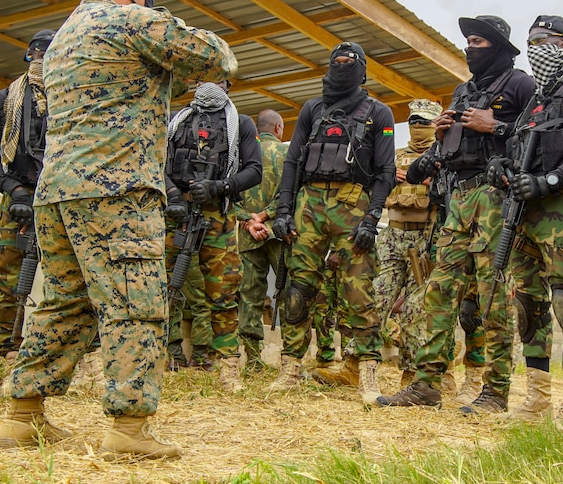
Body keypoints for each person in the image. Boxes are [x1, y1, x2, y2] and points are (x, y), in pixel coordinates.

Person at [0, 0, 236, 460]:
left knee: (65, 303)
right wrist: (154, 12)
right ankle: (129, 430)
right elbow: (215, 56)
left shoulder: (62, 37)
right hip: (116, 191)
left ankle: (23, 416)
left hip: (57, 193)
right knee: (135, 306)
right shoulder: (130, 20)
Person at [378, 15, 534, 412]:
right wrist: (443, 137)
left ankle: (495, 391)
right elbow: (424, 166)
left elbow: (538, 136)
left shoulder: (520, 84)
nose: (469, 48)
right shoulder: (462, 90)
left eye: (477, 41)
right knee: (439, 292)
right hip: (458, 201)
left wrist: (495, 125)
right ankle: (427, 384)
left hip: (495, 198)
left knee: (492, 296)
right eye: (467, 41)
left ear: (496, 46)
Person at [493, 16, 563, 426]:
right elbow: (516, 143)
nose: (536, 46)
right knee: (526, 302)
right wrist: (502, 168)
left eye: (545, 39)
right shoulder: (536, 99)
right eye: (531, 41)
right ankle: (537, 397)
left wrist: (551, 180)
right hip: (523, 212)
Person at [269, 42, 396, 405]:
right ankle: (291, 367)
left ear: (362, 69)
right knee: (298, 290)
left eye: (349, 62)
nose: (341, 67)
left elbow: (386, 171)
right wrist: (283, 210)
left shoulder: (379, 113)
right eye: (336, 62)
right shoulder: (312, 108)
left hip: (353, 205)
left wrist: (373, 217)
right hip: (309, 205)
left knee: (359, 293)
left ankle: (367, 371)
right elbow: (293, 162)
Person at [163, 78, 262, 392]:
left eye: (219, 78)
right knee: (162, 287)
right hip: (174, 215)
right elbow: (156, 162)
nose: (212, 84)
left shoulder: (240, 123)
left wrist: (221, 187)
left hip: (217, 216)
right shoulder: (176, 121)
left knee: (223, 293)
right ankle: (157, 360)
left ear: (229, 84)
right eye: (206, 77)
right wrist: (173, 196)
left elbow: (254, 169)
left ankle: (228, 367)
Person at [354, 98, 443, 387]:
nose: (418, 127)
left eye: (425, 122)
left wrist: (431, 181)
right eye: (414, 121)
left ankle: (412, 372)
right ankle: (357, 361)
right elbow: (375, 186)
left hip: (424, 238)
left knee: (417, 308)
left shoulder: (443, 157)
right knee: (376, 296)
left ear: (436, 126)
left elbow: (449, 195)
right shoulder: (395, 155)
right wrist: (393, 178)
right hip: (392, 235)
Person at [0, 29, 54, 360]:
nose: (42, 63)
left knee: (64, 276)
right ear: (28, 55)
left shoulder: (69, 102)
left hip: (57, 197)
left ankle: (61, 352)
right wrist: (15, 189)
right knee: (10, 275)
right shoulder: (5, 99)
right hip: (18, 198)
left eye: (48, 57)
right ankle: (9, 347)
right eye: (38, 55)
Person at [236, 109, 288, 372]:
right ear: (278, 128)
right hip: (278, 234)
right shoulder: (287, 154)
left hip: (248, 235)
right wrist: (266, 219)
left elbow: (230, 194)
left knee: (249, 297)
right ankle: (290, 361)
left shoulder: (241, 155)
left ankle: (253, 361)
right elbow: (292, 192)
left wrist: (249, 220)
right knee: (288, 293)